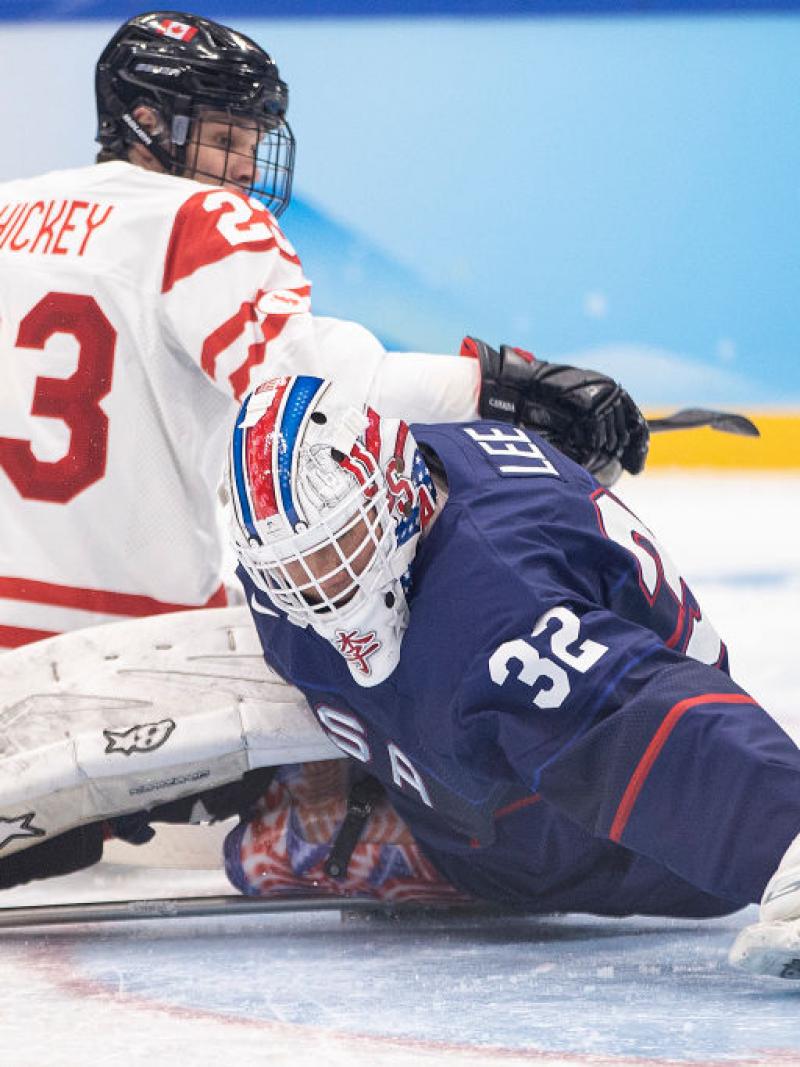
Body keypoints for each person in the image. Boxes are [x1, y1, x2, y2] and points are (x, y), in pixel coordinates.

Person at [0, 10, 648, 651]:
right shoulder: (201, 221)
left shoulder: (9, 208)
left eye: (253, 145)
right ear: (144, 123)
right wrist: (499, 390)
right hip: (133, 644)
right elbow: (310, 404)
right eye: (227, 141)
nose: (248, 171)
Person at [221, 373, 800, 980]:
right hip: (490, 753)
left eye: (336, 550)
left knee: (259, 853)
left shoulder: (501, 625)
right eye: (289, 569)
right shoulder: (406, 472)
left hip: (617, 845)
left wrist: (780, 833)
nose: (319, 592)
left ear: (397, 491)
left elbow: (637, 716)